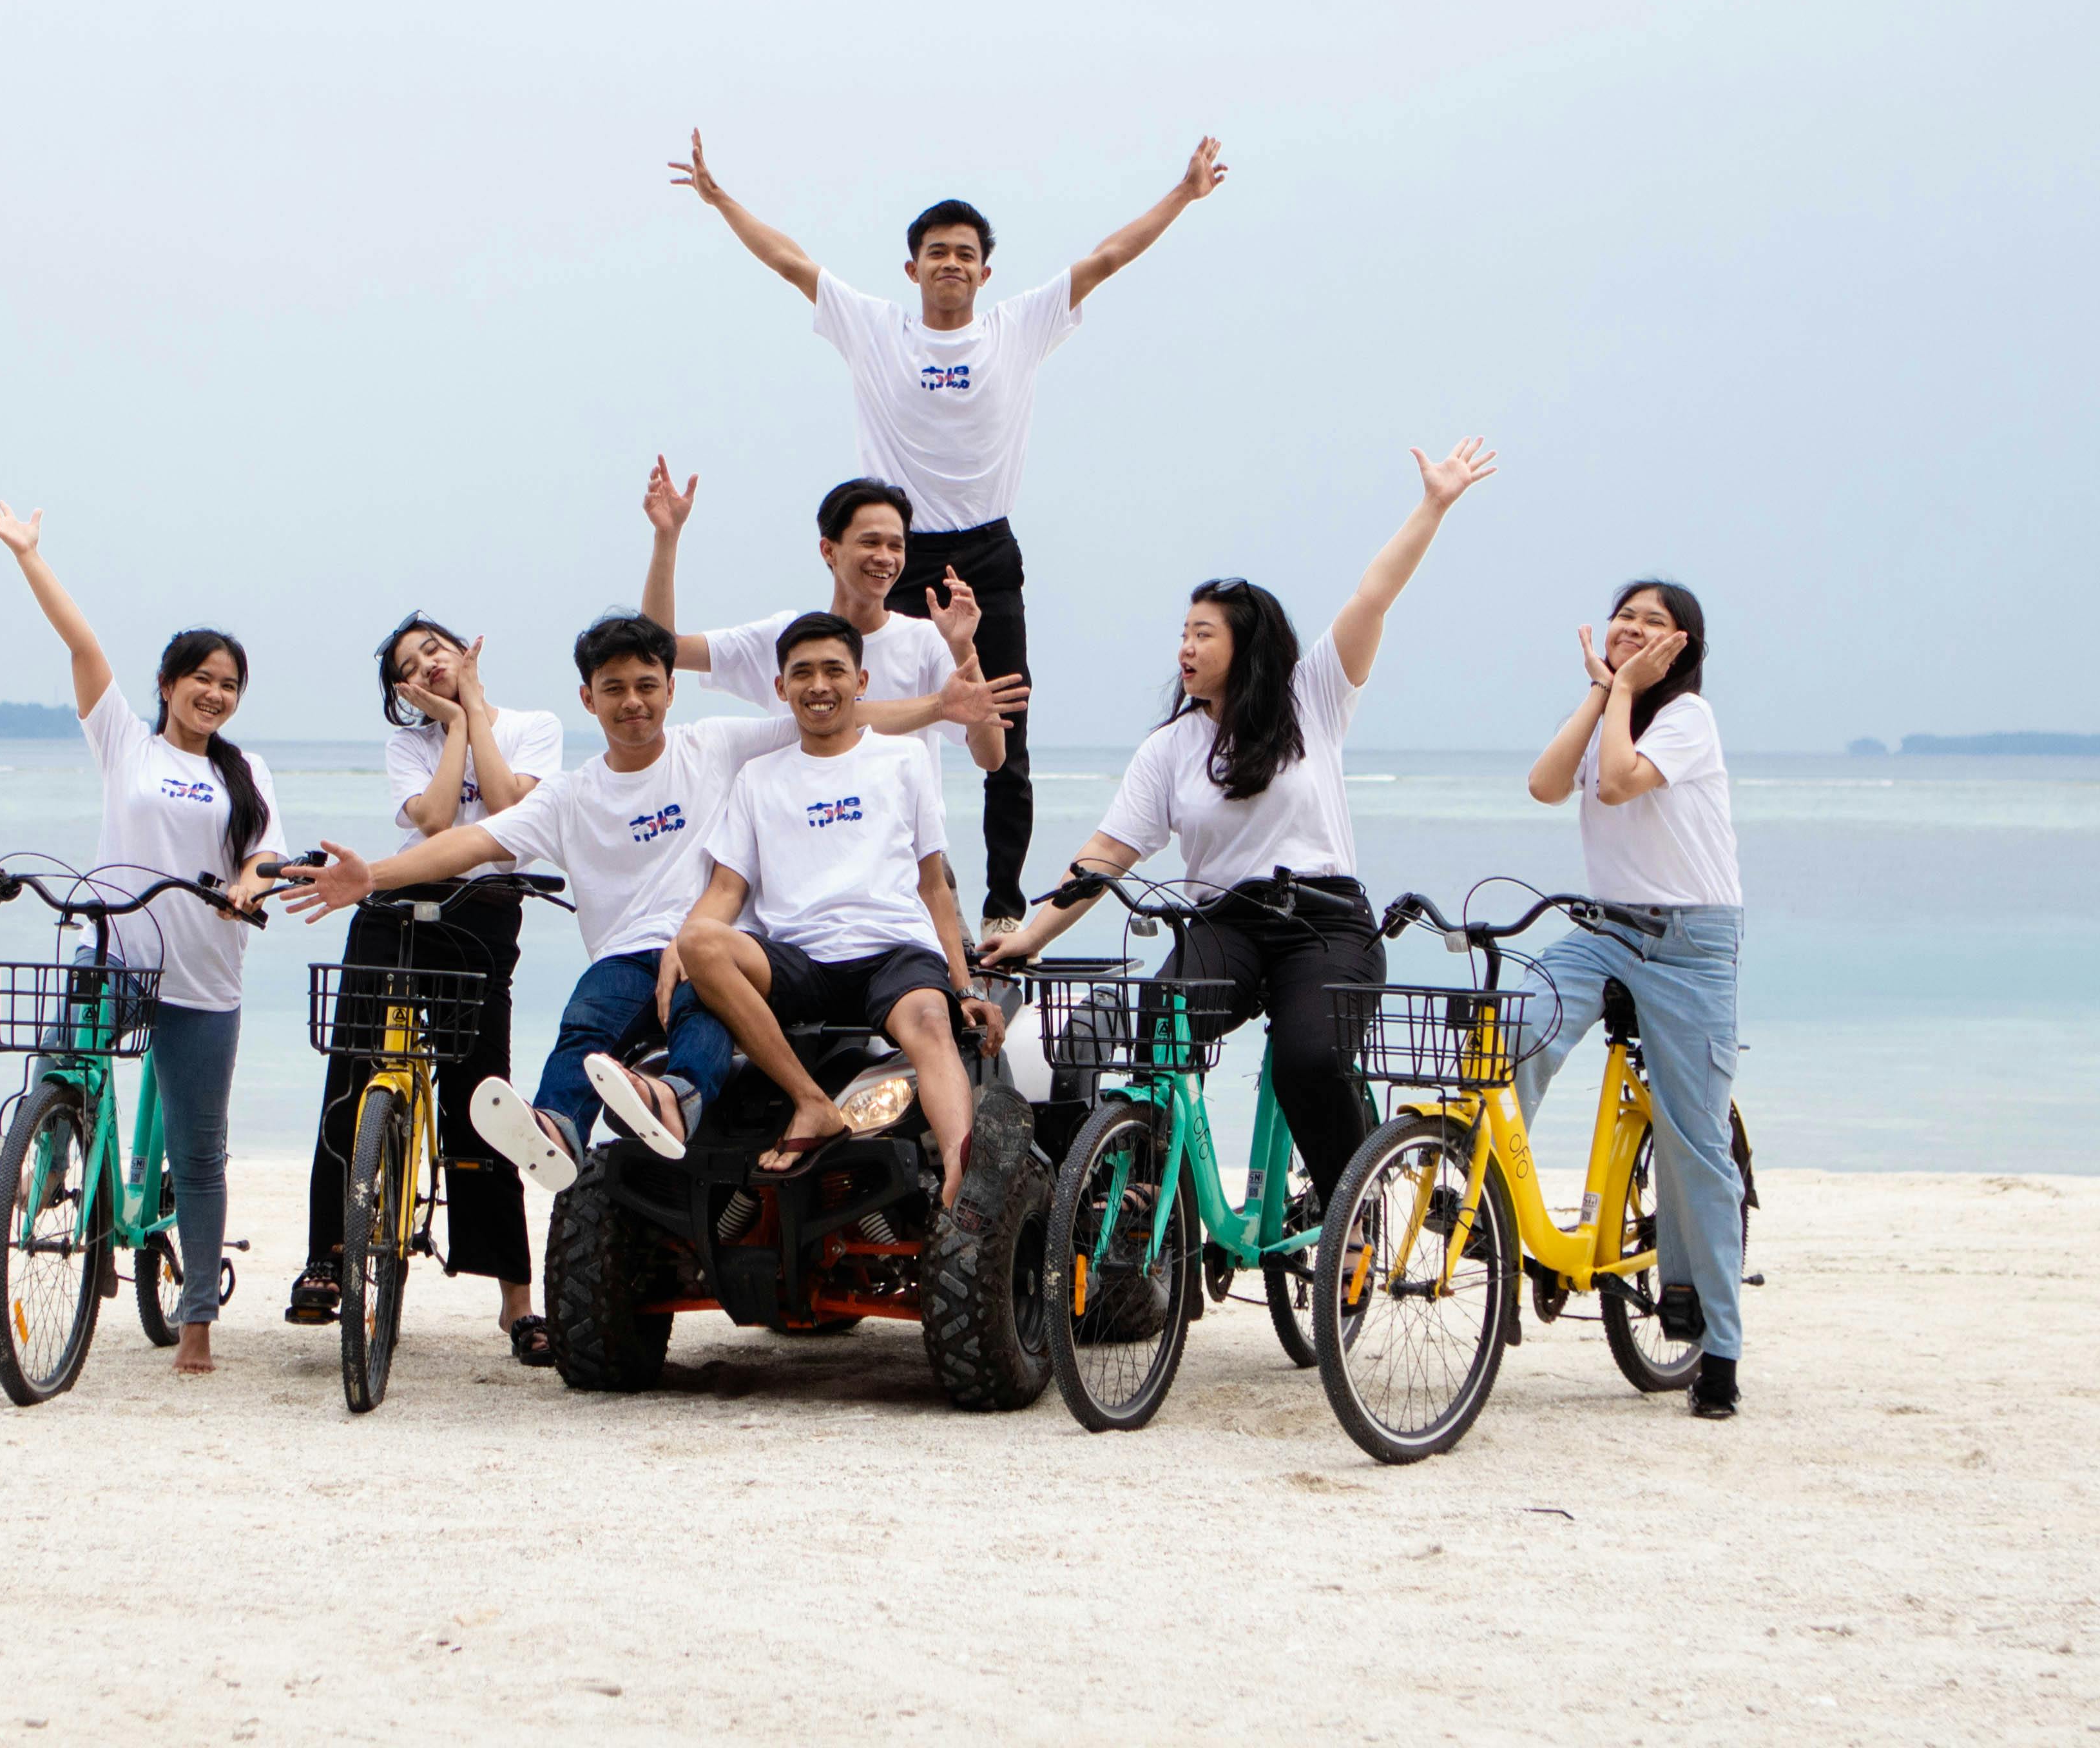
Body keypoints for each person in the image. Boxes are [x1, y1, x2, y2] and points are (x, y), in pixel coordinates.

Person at [669, 129, 1228, 933]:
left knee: (1002, 725)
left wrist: (1182, 194)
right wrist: (722, 201)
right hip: (898, 552)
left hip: (988, 551)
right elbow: (791, 262)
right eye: (937, 252)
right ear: (913, 268)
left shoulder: (1018, 325)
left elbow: (1108, 257)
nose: (952, 264)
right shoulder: (876, 328)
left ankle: (1004, 906)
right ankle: (906, 888)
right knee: (875, 722)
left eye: (966, 253)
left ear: (985, 271)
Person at [277, 616, 1023, 1209]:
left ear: (671, 689)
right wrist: (371, 875)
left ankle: (676, 1100)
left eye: (646, 684)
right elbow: (470, 841)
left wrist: (939, 708)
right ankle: (557, 1127)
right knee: (586, 1019)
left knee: (700, 999)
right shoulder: (570, 796)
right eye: (614, 688)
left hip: (717, 949)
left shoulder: (718, 747)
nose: (633, 701)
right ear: (588, 699)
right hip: (627, 958)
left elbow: (828, 714)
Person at [979, 439, 1496, 1221]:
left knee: (1308, 1060)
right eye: (1182, 633)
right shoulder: (1171, 747)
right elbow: (1105, 856)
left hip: (1324, 926)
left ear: (1244, 646)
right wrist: (1032, 934)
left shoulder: (1311, 699)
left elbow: (1371, 599)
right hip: (1223, 926)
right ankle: (1167, 1212)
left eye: (1203, 634)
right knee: (1156, 1033)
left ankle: (1347, 1211)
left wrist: (1433, 505)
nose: (1184, 648)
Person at [0, 500, 284, 1378]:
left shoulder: (246, 772)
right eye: (202, 678)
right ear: (169, 683)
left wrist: (248, 886)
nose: (214, 693)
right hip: (116, 957)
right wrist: (30, 556)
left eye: (229, 684)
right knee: (63, 1063)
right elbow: (82, 648)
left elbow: (264, 855)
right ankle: (56, 1172)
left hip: (205, 976)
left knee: (199, 1151)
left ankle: (195, 1324)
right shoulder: (126, 746)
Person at [600, 614, 1034, 1232]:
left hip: (892, 950)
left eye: (834, 671)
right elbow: (727, 889)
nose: (819, 685)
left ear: (860, 681)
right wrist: (686, 946)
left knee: (932, 1024)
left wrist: (964, 987)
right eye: (802, 673)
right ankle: (812, 1103)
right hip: (799, 958)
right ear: (781, 688)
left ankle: (966, 1187)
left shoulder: (904, 759)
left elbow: (933, 887)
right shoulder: (758, 777)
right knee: (698, 939)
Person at [287, 614, 566, 1361]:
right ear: (403, 693)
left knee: (482, 1095)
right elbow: (437, 819)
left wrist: (472, 714)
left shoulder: (535, 725)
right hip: (395, 908)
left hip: (483, 913)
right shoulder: (407, 745)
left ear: (464, 649)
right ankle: (324, 1259)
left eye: (434, 649)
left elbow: (510, 809)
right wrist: (447, 730)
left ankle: (517, 1304)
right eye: (411, 667)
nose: (428, 665)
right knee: (350, 1072)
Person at [1521, 578, 1748, 1420]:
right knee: (1520, 1027)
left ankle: (1719, 1344)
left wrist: (1621, 690)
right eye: (1625, 617)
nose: (1633, 628)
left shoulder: (1688, 720)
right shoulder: (1607, 707)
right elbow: (1549, 786)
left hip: (1691, 944)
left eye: (1654, 622)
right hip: (1607, 927)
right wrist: (1598, 690)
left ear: (1680, 646)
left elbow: (1617, 785)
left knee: (1695, 1143)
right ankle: (1488, 1198)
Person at [641, 463, 1003, 810]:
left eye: (896, 546)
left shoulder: (926, 641)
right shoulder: (786, 639)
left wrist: (962, 646)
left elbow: (991, 757)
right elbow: (659, 650)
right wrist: (666, 537)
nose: (885, 558)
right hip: (805, 848)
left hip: (906, 862)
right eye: (870, 542)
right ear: (829, 550)